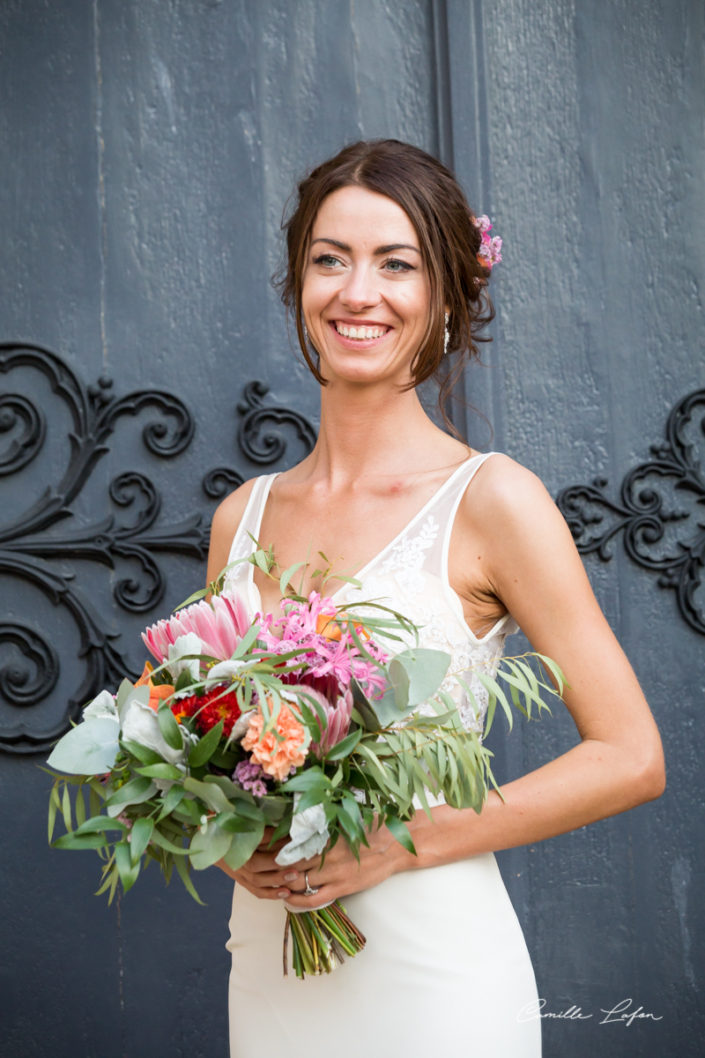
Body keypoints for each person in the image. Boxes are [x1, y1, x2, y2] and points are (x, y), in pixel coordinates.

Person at [206, 139, 665, 1056]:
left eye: (396, 264)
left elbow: (631, 755)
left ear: (448, 296)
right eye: (329, 259)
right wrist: (228, 839)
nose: (356, 292)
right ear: (298, 283)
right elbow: (223, 749)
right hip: (270, 975)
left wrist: (400, 839)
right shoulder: (242, 516)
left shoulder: (493, 500)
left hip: (434, 979)